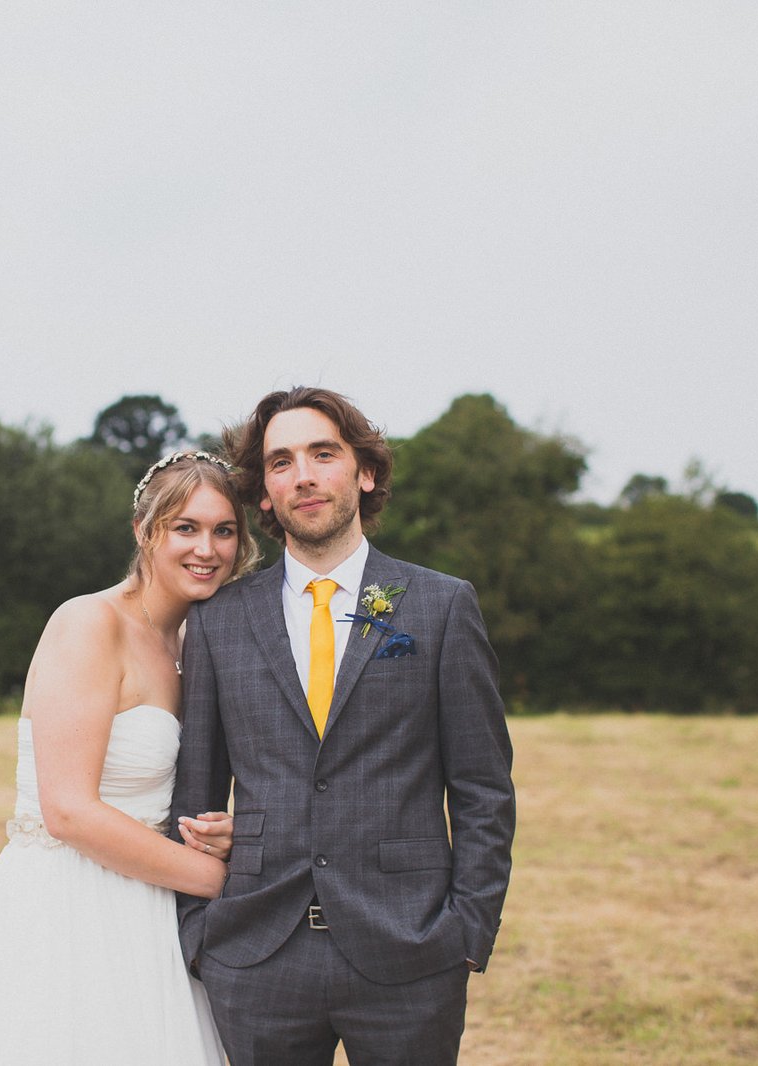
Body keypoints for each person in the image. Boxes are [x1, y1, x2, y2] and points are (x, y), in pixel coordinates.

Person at [171, 387, 516, 1066]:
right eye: (281, 461)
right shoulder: (219, 621)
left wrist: (467, 933)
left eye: (323, 453)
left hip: (410, 954)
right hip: (256, 957)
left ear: (364, 471)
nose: (303, 474)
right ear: (264, 493)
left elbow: (483, 789)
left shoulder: (440, 607)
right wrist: (200, 936)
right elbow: (195, 795)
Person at [0, 450, 260, 1066]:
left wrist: (220, 836)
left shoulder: (192, 642)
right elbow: (68, 809)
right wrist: (225, 881)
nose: (208, 548)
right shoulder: (88, 622)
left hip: (153, 899)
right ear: (144, 532)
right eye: (186, 528)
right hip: (72, 899)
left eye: (223, 530)